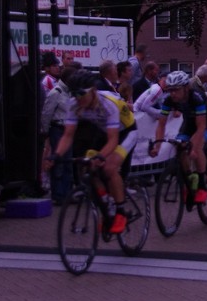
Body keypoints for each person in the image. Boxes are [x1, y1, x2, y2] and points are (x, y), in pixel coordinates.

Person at [45, 70, 138, 234]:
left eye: (81, 94)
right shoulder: (74, 104)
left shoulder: (108, 103)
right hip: (103, 132)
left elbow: (113, 140)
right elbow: (67, 135)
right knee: (87, 167)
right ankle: (106, 202)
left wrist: (101, 157)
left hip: (126, 132)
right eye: (74, 94)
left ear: (93, 91)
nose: (78, 98)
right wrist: (56, 155)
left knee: (109, 167)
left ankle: (121, 211)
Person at [148, 70, 207, 205]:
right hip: (189, 121)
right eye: (170, 90)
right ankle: (190, 179)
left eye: (176, 90)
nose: (173, 93)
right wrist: (157, 146)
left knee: (197, 148)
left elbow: (201, 127)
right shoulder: (169, 100)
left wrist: (194, 147)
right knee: (180, 147)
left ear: (186, 88)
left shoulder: (196, 98)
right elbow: (161, 124)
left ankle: (202, 184)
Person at [40, 65, 76, 204]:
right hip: (57, 129)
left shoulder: (69, 92)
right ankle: (58, 194)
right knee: (58, 162)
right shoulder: (56, 92)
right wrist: (45, 131)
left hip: (67, 130)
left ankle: (67, 193)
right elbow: (46, 113)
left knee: (68, 162)